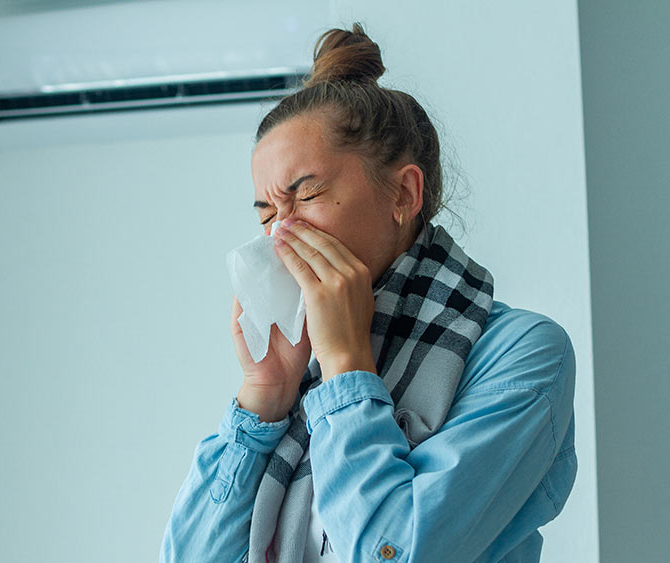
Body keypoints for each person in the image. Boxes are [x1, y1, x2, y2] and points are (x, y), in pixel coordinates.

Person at [158, 22, 577, 563]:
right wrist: (265, 393)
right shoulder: (300, 376)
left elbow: (394, 551)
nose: (280, 235)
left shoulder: (522, 355)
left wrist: (347, 366)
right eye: (266, 215)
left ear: (403, 194)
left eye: (308, 194)